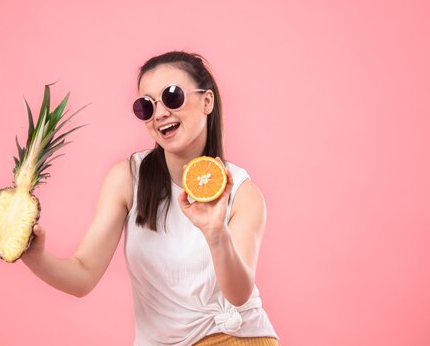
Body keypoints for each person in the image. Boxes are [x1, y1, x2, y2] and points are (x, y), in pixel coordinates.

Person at [21, 51, 280, 345]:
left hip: (233, 339)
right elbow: (83, 276)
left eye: (172, 97)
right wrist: (36, 258)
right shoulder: (128, 178)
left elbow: (239, 294)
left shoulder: (242, 193)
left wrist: (216, 233)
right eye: (146, 105)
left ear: (207, 101)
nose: (159, 114)